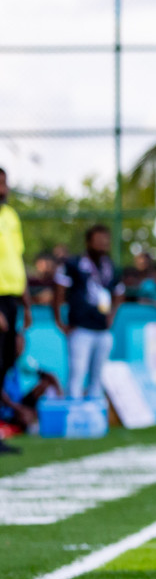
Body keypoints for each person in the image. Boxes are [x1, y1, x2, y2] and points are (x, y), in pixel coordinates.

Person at [52, 223, 124, 400]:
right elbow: (58, 292)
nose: (102, 245)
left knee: (97, 377)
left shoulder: (110, 266)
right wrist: (60, 322)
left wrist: (111, 316)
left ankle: (94, 418)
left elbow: (119, 293)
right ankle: (74, 414)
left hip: (102, 330)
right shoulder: (74, 264)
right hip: (80, 328)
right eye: (98, 241)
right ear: (88, 242)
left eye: (105, 242)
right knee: (77, 373)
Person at [0, 167, 32, 454]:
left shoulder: (10, 217)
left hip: (11, 300)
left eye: (4, 182)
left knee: (6, 362)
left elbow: (16, 260)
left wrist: (26, 303)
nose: (3, 188)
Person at [1, 330, 62, 434]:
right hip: (6, 404)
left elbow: (50, 375)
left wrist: (59, 393)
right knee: (23, 416)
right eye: (18, 344)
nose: (21, 347)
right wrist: (19, 409)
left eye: (23, 344)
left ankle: (40, 415)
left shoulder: (23, 361)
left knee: (44, 384)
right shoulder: (3, 360)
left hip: (18, 401)